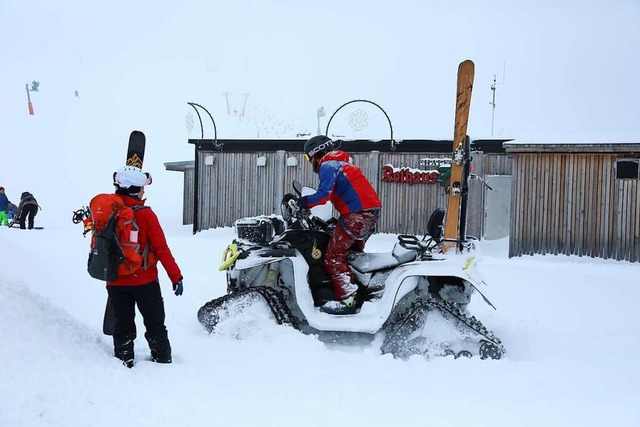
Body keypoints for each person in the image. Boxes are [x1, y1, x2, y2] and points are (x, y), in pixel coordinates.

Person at [108, 165, 184, 368]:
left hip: (115, 281)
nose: (144, 192)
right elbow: (161, 248)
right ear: (134, 189)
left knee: (122, 324)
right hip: (145, 280)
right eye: (142, 188)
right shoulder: (146, 215)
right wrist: (176, 277)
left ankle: (124, 359)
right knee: (155, 322)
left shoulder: (108, 212)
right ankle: (162, 359)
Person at [297, 135, 382, 315]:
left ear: (316, 153)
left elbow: (323, 195)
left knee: (333, 256)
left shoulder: (328, 164)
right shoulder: (343, 163)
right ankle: (364, 291)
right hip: (369, 212)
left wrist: (303, 202)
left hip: (357, 214)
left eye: (308, 157)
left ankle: (348, 299)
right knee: (351, 255)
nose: (310, 162)